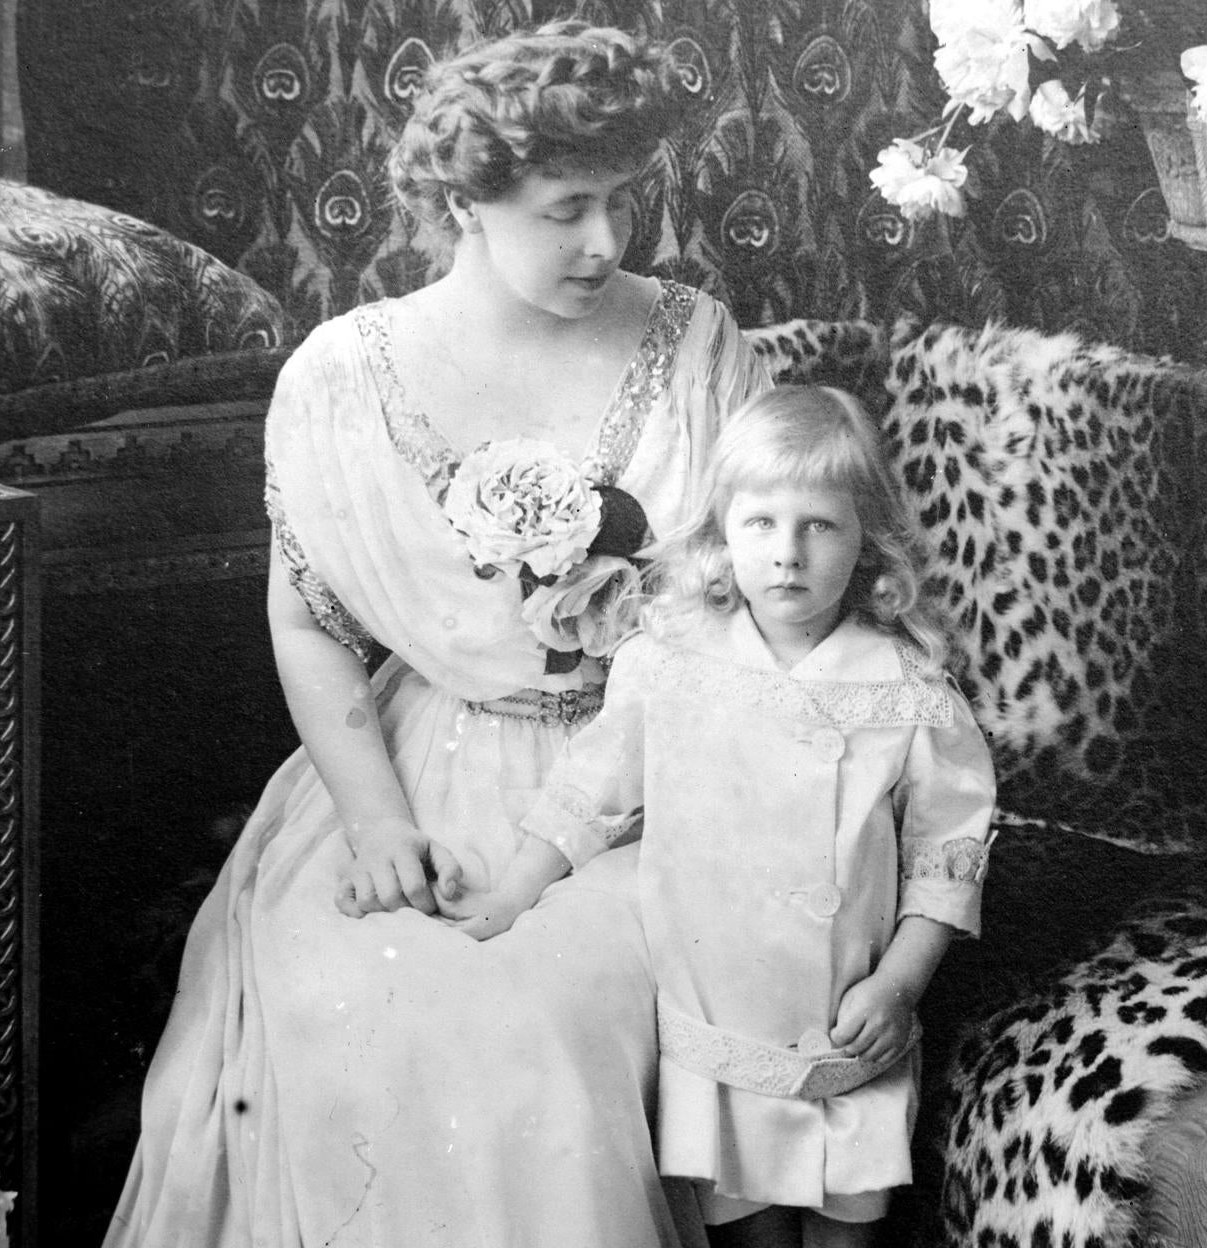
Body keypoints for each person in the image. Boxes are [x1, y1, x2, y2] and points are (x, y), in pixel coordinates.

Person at [102, 19, 769, 1248]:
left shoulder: (693, 342)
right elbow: (305, 620)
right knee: (354, 997)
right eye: (567, 209)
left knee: (546, 1015)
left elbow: (748, 607)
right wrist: (373, 821)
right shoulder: (344, 376)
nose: (606, 242)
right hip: (412, 769)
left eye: (624, 202)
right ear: (468, 201)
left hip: (649, 777)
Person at [448, 387, 998, 1248]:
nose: (788, 555)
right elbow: (591, 794)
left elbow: (947, 855)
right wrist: (511, 896)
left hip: (846, 1014)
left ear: (866, 543)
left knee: (846, 1230)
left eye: (820, 525)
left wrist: (900, 983)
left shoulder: (905, 687)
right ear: (721, 532)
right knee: (746, 1233)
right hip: (722, 1021)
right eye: (761, 524)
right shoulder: (668, 663)